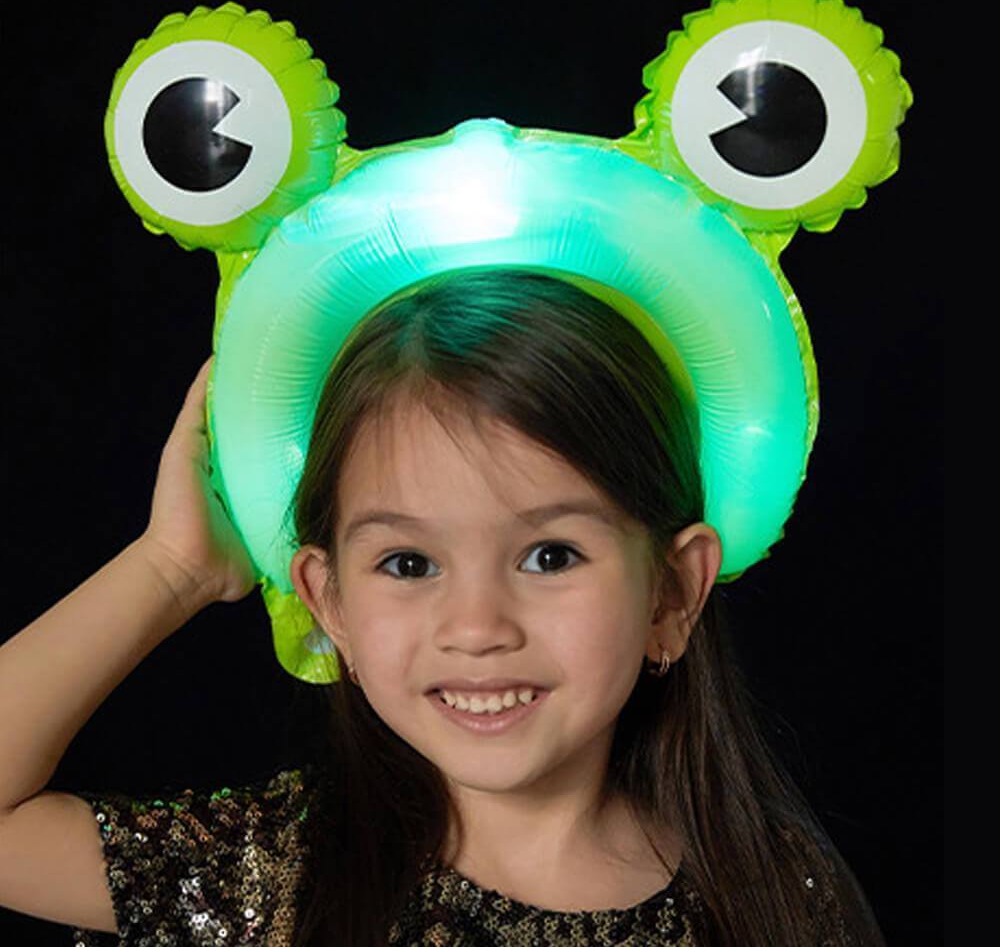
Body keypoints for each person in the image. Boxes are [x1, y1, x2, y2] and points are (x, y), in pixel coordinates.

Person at [0, 268, 886, 946]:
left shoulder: (771, 897)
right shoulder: (280, 870)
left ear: (673, 591)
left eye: (550, 555)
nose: (477, 629)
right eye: (409, 562)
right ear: (329, 602)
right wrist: (172, 568)